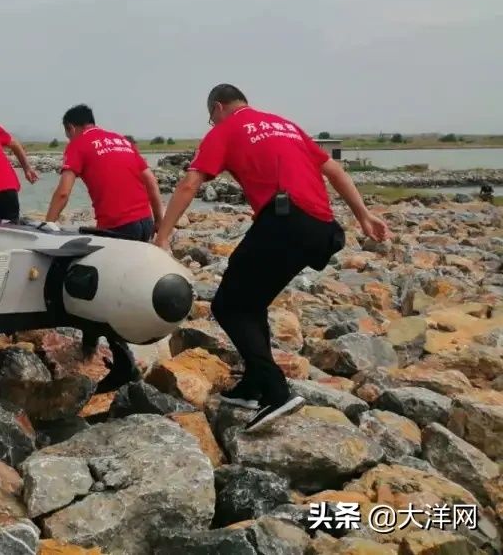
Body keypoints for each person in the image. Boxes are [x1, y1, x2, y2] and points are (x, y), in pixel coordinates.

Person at [153, 84, 389, 432]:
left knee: (228, 306)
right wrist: (364, 216)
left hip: (284, 220)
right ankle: (253, 386)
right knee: (252, 301)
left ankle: (277, 390)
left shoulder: (226, 129)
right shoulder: (285, 124)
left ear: (218, 108)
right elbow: (335, 171)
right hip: (322, 227)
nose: (211, 124)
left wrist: (162, 237)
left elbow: (190, 184)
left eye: (210, 118)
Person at [43, 104, 164, 240]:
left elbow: (63, 193)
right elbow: (151, 180)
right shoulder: (122, 140)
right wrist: (159, 220)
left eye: (68, 136)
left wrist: (47, 227)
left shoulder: (77, 144)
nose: (69, 139)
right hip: (146, 221)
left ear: (70, 128)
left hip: (118, 226)